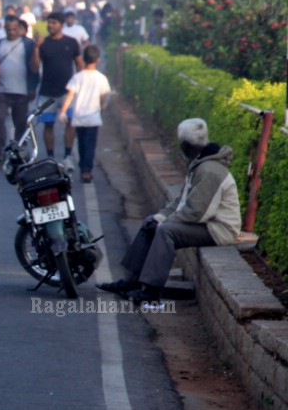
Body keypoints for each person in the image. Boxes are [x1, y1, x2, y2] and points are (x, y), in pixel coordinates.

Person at [98, 118, 240, 307]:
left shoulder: (210, 171)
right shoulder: (200, 163)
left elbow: (196, 212)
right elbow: (181, 202)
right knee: (151, 223)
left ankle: (151, 291)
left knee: (166, 231)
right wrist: (159, 217)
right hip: (206, 223)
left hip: (220, 229)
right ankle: (133, 280)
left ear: (186, 146)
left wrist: (164, 223)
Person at [32, 10, 83, 167]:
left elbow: (79, 65)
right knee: (48, 125)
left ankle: (67, 155)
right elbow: (35, 68)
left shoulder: (71, 42)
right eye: (49, 22)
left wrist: (79, 86)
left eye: (54, 23)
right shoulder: (43, 44)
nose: (50, 25)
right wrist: (36, 48)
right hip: (47, 91)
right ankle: (50, 156)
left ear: (61, 25)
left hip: (67, 92)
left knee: (70, 123)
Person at [0, 14, 38, 168]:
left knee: (21, 126)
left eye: (14, 29)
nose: (11, 32)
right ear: (4, 29)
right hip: (2, 91)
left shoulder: (29, 44)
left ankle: (19, 155)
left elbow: (35, 68)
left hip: (21, 91)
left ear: (20, 29)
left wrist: (32, 87)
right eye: (8, 29)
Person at [58, 44, 110, 182]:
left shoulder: (78, 77)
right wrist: (101, 106)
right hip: (93, 117)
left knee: (81, 144)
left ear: (83, 59)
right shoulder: (101, 78)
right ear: (98, 60)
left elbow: (70, 95)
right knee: (90, 145)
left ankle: (83, 168)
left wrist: (63, 111)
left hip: (79, 117)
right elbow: (102, 97)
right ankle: (87, 170)